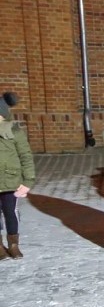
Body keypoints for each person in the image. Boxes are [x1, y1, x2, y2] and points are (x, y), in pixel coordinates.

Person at [0, 91, 35, 261]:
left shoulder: (14, 132)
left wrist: (28, 180)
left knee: (10, 212)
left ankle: (13, 245)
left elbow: (26, 156)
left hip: (11, 180)